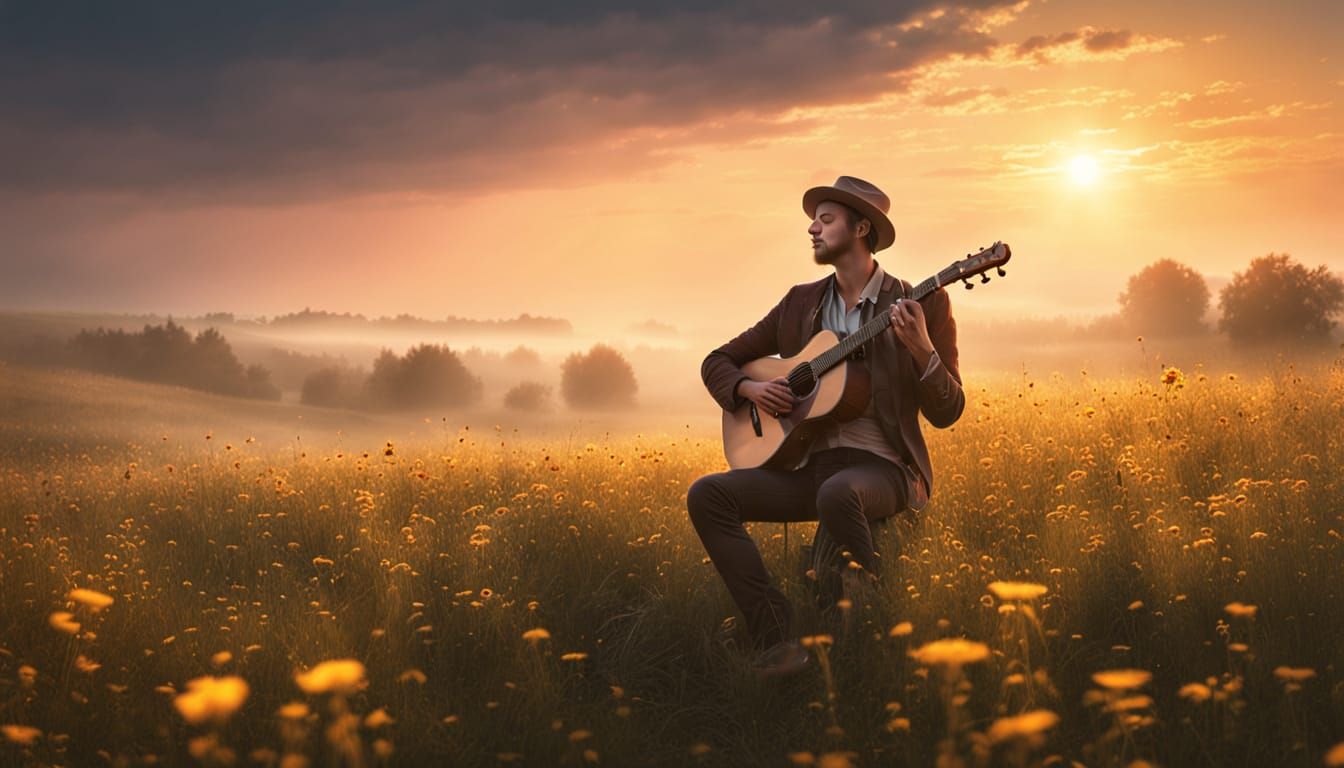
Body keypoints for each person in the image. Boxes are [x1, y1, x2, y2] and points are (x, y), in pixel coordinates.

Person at [688, 175, 965, 678]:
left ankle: (868, 630)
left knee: (838, 494)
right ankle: (776, 637)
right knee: (708, 495)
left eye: (825, 219)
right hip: (809, 470)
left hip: (885, 470)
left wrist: (921, 348)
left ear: (861, 228)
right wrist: (749, 390)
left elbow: (948, 412)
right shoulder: (799, 304)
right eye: (813, 220)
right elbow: (718, 360)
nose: (812, 229)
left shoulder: (920, 303)